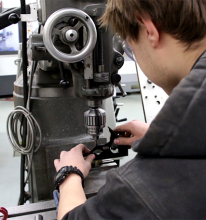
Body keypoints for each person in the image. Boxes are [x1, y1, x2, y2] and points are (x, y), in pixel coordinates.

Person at [54, 0, 206, 219]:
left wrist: (69, 175)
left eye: (130, 47)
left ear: (148, 29)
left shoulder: (142, 190)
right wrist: (165, 135)